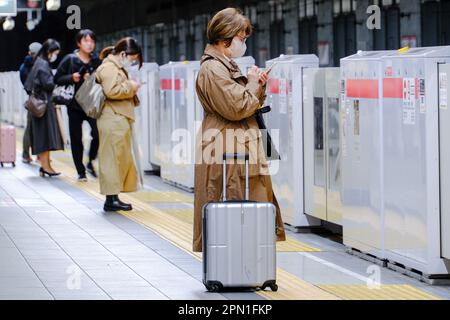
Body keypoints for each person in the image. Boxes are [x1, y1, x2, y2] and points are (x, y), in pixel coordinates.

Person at [193, 8, 286, 252]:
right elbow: (236, 107)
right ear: (226, 38)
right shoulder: (213, 69)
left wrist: (256, 84)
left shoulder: (224, 66)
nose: (243, 44)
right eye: (241, 39)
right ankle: (232, 265)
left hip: (235, 144)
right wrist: (253, 82)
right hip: (227, 146)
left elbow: (240, 102)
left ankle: (243, 265)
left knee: (244, 205)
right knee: (233, 203)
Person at [95, 37, 142, 212]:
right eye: (132, 58)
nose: (133, 62)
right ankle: (111, 199)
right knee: (112, 159)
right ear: (123, 54)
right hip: (112, 118)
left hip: (117, 118)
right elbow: (111, 91)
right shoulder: (109, 67)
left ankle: (113, 197)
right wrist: (131, 86)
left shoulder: (115, 67)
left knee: (117, 159)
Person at [54, 30, 102, 182]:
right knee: (76, 138)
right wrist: (71, 77)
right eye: (86, 41)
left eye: (92, 41)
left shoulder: (96, 60)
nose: (89, 44)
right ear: (79, 43)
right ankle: (81, 170)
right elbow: (57, 78)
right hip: (74, 106)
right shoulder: (70, 60)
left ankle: (90, 160)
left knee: (98, 133)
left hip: (91, 104)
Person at [24, 39, 64, 177]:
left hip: (41, 105)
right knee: (45, 137)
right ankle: (46, 166)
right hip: (44, 106)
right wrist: (57, 81)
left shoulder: (38, 62)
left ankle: (46, 166)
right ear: (49, 52)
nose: (55, 56)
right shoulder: (43, 64)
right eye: (55, 53)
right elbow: (48, 84)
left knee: (44, 136)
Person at [19, 42, 42, 164]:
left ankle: (26, 155)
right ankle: (39, 155)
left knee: (29, 127)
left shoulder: (23, 66)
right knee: (39, 128)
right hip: (40, 100)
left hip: (31, 99)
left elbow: (24, 81)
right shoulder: (39, 65)